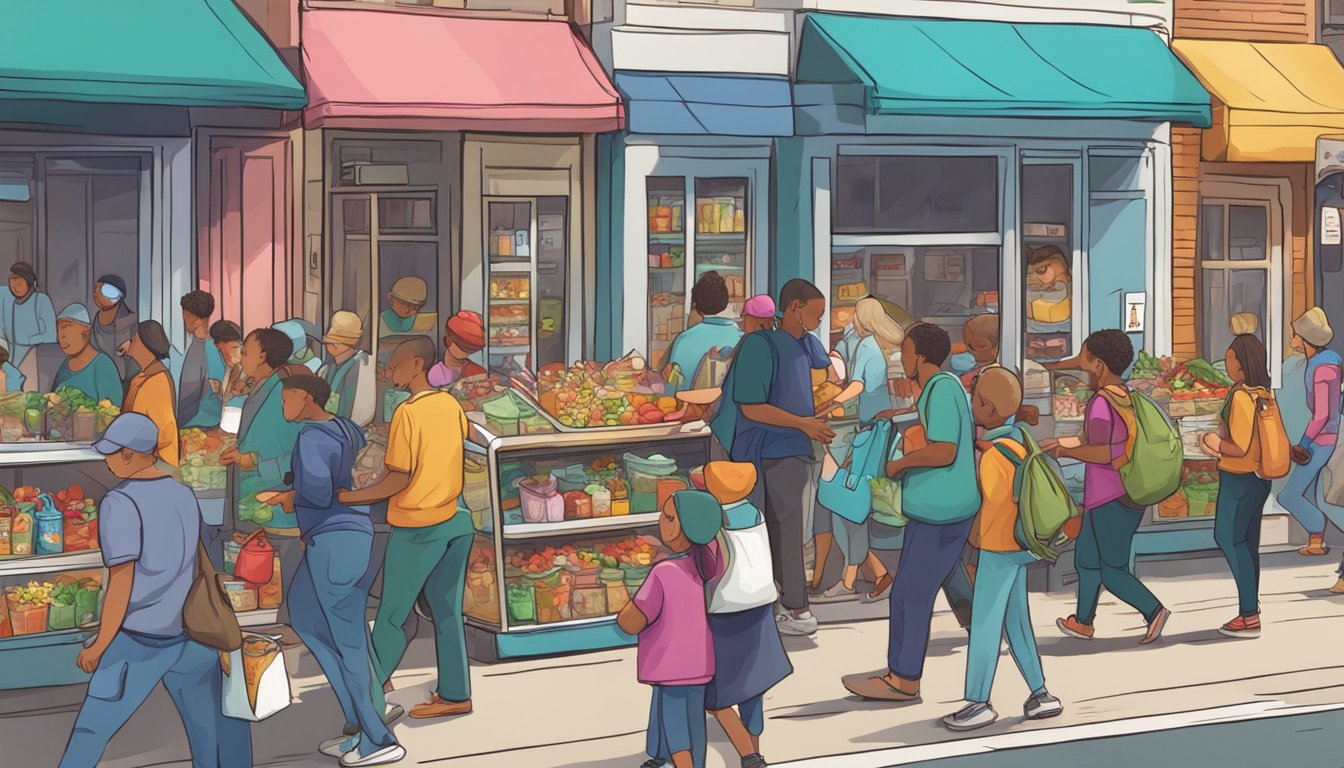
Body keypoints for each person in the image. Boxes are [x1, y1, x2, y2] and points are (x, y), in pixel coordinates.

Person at [58, 413, 251, 768]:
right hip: (192, 633)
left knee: (91, 731)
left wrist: (100, 644)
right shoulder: (182, 493)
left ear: (130, 454)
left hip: (140, 640)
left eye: (112, 453)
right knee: (210, 733)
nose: (108, 461)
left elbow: (122, 580)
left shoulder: (120, 502)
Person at [260, 374, 406, 767]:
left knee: (349, 640)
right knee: (305, 616)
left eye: (286, 398)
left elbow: (320, 493)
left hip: (336, 540)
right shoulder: (343, 425)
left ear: (304, 397)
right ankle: (359, 725)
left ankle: (378, 739)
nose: (282, 406)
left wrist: (287, 497)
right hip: (346, 536)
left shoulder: (310, 437)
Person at [842, 323, 979, 703]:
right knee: (952, 580)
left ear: (919, 356)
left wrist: (900, 465)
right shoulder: (940, 388)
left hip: (940, 509)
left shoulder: (942, 389)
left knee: (908, 594)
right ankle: (983, 630)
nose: (900, 358)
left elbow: (944, 450)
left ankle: (903, 679)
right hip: (945, 506)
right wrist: (900, 416)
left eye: (904, 351)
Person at [340, 336, 475, 720]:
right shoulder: (449, 403)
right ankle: (455, 693)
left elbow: (397, 479)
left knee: (393, 615)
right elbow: (461, 441)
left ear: (417, 365)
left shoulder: (408, 412)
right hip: (456, 521)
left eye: (396, 364)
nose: (390, 371)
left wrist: (349, 497)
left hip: (419, 526)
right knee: (448, 613)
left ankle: (367, 705)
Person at [943, 367, 1062, 732]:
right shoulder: (1021, 438)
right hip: (1023, 545)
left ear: (988, 410)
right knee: (1017, 622)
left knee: (984, 624)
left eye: (976, 401)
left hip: (998, 546)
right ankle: (1041, 694)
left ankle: (978, 702)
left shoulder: (994, 457)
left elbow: (991, 505)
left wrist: (972, 543)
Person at [1042, 330, 1170, 644]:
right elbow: (1096, 441)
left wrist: (1067, 451)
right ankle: (1083, 622)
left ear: (1098, 365)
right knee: (1086, 559)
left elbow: (1105, 451)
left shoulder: (1101, 401)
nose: (1079, 363)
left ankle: (1154, 610)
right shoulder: (1123, 395)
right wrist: (1061, 443)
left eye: (1084, 357)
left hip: (1114, 497)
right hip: (1108, 496)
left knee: (1112, 569)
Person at [729, 279, 836, 638]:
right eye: (815, 313)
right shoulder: (760, 346)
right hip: (763, 451)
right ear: (793, 307)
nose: (819, 321)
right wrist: (803, 423)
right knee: (771, 531)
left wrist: (814, 415)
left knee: (785, 530)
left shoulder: (803, 343)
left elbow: (825, 368)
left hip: (792, 450)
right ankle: (792, 607)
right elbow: (751, 406)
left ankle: (785, 604)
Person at [617, 490, 723, 768]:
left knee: (676, 724)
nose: (661, 520)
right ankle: (663, 757)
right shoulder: (710, 563)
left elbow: (632, 621)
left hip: (670, 664)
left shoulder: (663, 573)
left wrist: (622, 605)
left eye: (668, 516)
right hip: (700, 661)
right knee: (692, 720)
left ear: (681, 528)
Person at [810, 298, 899, 602]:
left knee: (849, 503)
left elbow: (858, 386)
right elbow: (838, 355)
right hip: (858, 432)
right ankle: (874, 571)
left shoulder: (872, 351)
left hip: (870, 433)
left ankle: (849, 580)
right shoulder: (856, 339)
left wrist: (828, 404)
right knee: (842, 502)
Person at [703, 462, 791, 768]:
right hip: (761, 606)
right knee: (753, 689)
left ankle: (749, 755)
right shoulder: (755, 513)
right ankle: (753, 746)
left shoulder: (714, 519)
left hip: (726, 612)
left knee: (717, 697)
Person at [221, 328, 306, 622]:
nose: (240, 357)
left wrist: (250, 461)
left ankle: (289, 623)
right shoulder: (261, 386)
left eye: (246, 352)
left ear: (264, 356)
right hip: (255, 496)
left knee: (283, 571)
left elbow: (292, 450)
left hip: (275, 497)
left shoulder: (283, 391)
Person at [1200, 334, 1275, 637]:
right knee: (1247, 545)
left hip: (1239, 478)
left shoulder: (1241, 396)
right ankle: (1249, 609)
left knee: (1229, 539)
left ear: (1241, 364)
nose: (1226, 362)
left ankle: (1248, 614)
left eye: (1230, 358)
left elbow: (1240, 446)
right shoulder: (1263, 393)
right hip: (1259, 479)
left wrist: (1213, 442)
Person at [663, 272, 743, 394]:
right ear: (725, 302)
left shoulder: (683, 339)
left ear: (696, 305)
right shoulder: (742, 338)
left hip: (689, 409)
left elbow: (671, 387)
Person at [120, 320, 179, 468]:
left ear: (145, 344)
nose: (130, 343)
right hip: (140, 459)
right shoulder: (141, 377)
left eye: (134, 339)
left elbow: (165, 432)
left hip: (157, 464)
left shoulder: (157, 382)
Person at [52, 304, 122, 404]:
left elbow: (112, 411)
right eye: (58, 330)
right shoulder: (65, 365)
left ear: (86, 330)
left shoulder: (103, 365)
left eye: (66, 326)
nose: (60, 337)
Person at [319, 311, 377, 427]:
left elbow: (363, 412)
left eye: (338, 341)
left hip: (349, 430)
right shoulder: (326, 368)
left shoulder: (364, 364)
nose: (332, 345)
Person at [2, 261, 57, 384]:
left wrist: (28, 340)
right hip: (13, 360)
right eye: (12, 281)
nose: (16, 286)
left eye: (20, 281)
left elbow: (52, 334)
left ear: (29, 282)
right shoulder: (13, 303)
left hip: (35, 357)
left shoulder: (41, 300)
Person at [179, 291, 223, 429]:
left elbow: (189, 393)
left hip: (198, 424)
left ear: (197, 319)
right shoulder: (214, 346)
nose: (183, 319)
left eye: (185, 315)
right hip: (212, 420)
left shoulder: (201, 349)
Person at [92, 274, 138, 385]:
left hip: (125, 381)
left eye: (101, 289)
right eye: (95, 290)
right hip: (99, 378)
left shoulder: (132, 322)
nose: (95, 294)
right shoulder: (96, 321)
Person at [427, 310, 487, 388]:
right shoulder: (433, 371)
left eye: (471, 350)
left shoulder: (477, 372)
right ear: (449, 338)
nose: (466, 353)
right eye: (462, 346)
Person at [211, 320, 248, 407]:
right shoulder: (227, 370)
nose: (230, 356)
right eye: (224, 352)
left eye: (234, 348)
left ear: (241, 344)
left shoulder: (250, 369)